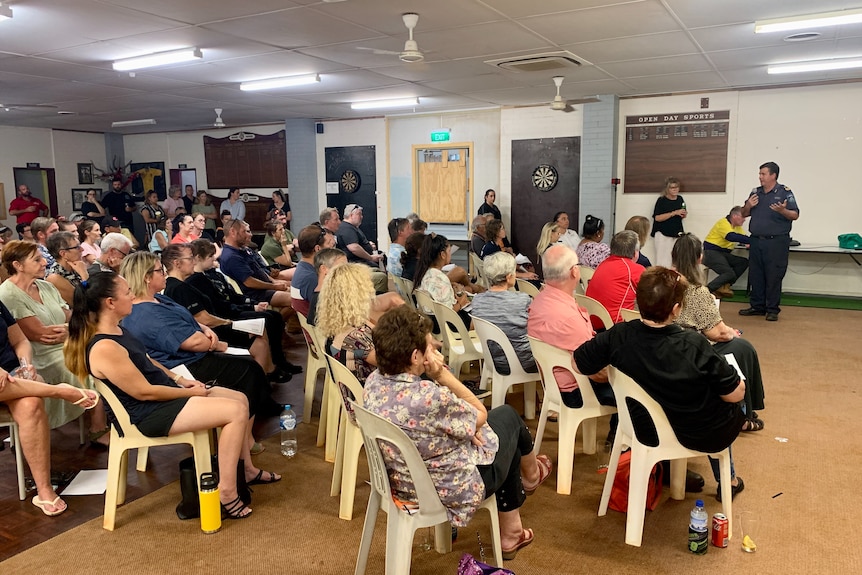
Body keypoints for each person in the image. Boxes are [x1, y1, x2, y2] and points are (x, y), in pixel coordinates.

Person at [64, 271, 273, 520]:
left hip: (163, 398)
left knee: (239, 398)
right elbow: (144, 392)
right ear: (110, 302)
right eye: (127, 292)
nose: (133, 296)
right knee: (234, 411)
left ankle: (244, 471)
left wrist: (180, 380)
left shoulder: (118, 331)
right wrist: (184, 392)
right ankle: (226, 492)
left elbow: (148, 360)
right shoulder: (104, 346)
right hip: (148, 414)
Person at [364, 306, 551, 559]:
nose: (436, 349)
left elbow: (446, 423)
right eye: (430, 346)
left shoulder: (373, 382)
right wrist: (441, 374)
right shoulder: (429, 398)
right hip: (449, 489)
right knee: (507, 419)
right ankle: (531, 477)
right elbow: (480, 415)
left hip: (401, 481)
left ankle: (513, 528)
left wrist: (464, 429)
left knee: (497, 437)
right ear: (416, 357)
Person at [574, 267, 746, 501]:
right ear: (676, 310)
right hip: (693, 432)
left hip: (641, 428)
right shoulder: (693, 344)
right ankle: (730, 480)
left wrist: (607, 374)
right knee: (736, 398)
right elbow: (734, 395)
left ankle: (666, 468)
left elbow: (577, 362)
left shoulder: (619, 334)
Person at [118, 251, 284, 428]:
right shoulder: (148, 313)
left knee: (249, 361)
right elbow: (194, 343)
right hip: (183, 366)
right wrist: (214, 342)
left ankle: (246, 423)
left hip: (194, 352)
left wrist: (204, 328)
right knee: (249, 369)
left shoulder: (158, 298)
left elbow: (189, 318)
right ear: (147, 278)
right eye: (160, 270)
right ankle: (242, 428)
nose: (165, 273)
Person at [0, 302, 100, 516]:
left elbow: (19, 340)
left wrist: (25, 364)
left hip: (11, 376)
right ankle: (58, 391)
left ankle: (44, 489)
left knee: (31, 404)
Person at [0, 241, 107, 436]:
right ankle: (98, 428)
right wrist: (73, 329)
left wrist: (70, 330)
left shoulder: (45, 286)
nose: (44, 263)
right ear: (18, 265)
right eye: (37, 260)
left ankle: (117, 419)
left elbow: (70, 316)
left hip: (67, 344)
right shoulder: (8, 294)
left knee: (104, 357)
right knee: (87, 367)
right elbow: (41, 335)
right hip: (39, 355)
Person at [673, 233, 766, 432]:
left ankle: (745, 410)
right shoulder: (697, 291)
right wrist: (731, 331)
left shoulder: (665, 283)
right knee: (743, 347)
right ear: (699, 258)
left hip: (671, 342)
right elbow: (717, 334)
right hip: (691, 349)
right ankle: (744, 413)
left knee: (739, 344)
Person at [161, 244, 291, 383]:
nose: (194, 261)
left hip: (213, 327)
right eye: (190, 258)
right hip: (212, 332)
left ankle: (265, 380)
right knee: (260, 338)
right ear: (177, 263)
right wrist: (228, 322)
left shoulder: (180, 285)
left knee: (261, 335)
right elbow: (203, 318)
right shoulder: (179, 288)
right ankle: (263, 383)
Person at [739, 162, 800, 322]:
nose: (760, 177)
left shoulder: (784, 192)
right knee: (756, 274)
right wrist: (748, 205)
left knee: (774, 275)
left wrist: (782, 210)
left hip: (776, 242)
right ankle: (757, 306)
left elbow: (795, 215)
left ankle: (772, 309)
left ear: (773, 175)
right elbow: (744, 214)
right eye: (759, 174)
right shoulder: (755, 192)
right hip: (756, 240)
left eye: (763, 174)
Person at [470, 252, 537, 375]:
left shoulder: (477, 300)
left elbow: (473, 328)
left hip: (491, 360)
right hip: (523, 362)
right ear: (508, 277)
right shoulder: (523, 300)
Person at [316, 263, 379, 382]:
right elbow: (394, 365)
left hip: (352, 391)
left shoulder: (338, 323)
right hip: (369, 395)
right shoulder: (356, 337)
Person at [219, 219, 291, 307]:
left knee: (300, 291)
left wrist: (274, 282)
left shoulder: (243, 250)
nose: (250, 234)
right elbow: (249, 282)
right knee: (296, 299)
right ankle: (276, 320)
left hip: (266, 287)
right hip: (256, 294)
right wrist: (274, 286)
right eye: (245, 231)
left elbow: (260, 271)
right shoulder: (231, 257)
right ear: (233, 232)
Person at [585, 230, 645, 328]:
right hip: (614, 328)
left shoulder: (603, 264)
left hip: (593, 322)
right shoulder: (635, 270)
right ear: (635, 253)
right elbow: (653, 298)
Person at [415, 234, 472, 325]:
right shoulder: (440, 278)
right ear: (443, 255)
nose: (450, 254)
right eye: (449, 251)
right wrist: (461, 302)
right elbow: (448, 312)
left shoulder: (425, 273)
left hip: (433, 321)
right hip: (446, 324)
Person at [336, 203, 388, 293]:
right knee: (381, 277)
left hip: (362, 262)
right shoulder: (347, 229)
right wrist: (370, 257)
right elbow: (354, 247)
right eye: (359, 214)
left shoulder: (353, 228)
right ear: (351, 215)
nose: (362, 216)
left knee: (378, 266)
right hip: (356, 264)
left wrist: (368, 245)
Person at [702, 206, 750, 298]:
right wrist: (753, 241)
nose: (744, 220)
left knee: (743, 262)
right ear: (735, 216)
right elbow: (731, 236)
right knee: (728, 273)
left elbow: (742, 238)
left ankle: (724, 287)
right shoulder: (723, 223)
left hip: (724, 254)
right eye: (743, 217)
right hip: (711, 252)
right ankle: (706, 291)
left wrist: (749, 242)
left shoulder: (737, 227)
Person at [291, 225, 329, 316]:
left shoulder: (303, 268)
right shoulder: (311, 278)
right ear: (318, 249)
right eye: (329, 244)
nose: (332, 249)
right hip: (322, 327)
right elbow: (327, 312)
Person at [650, 176, 686, 268]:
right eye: (672, 188)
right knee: (663, 260)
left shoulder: (680, 199)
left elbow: (682, 213)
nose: (675, 190)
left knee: (675, 259)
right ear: (667, 189)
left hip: (676, 232)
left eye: (677, 187)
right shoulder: (661, 200)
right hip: (663, 233)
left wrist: (683, 214)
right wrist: (674, 213)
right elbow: (657, 218)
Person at [45, 231, 88, 307]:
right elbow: (81, 303)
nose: (82, 249)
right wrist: (84, 276)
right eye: (77, 247)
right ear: (63, 254)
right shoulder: (54, 277)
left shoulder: (76, 267)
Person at [307, 248, 348, 326]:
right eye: (342, 267)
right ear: (324, 269)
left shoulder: (325, 295)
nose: (347, 271)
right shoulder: (324, 300)